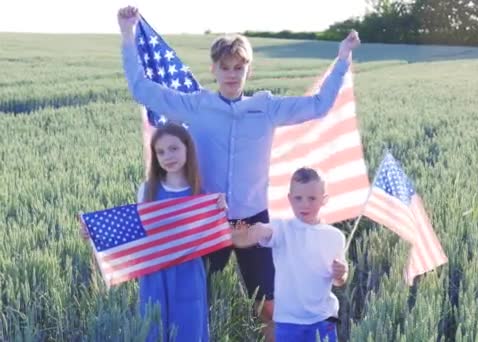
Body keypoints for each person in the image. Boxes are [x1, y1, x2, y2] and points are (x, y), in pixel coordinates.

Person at [116, 6, 360, 340]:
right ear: (214, 69)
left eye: (239, 67)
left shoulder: (267, 107)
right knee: (195, 300)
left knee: (269, 306)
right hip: (205, 220)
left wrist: (343, 57)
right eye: (225, 67)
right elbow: (142, 90)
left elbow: (318, 105)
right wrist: (128, 36)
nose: (232, 74)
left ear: (248, 70)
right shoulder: (196, 105)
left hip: (251, 221)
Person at [81, 122, 226, 342]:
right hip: (154, 273)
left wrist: (222, 210)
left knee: (189, 329)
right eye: (160, 152)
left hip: (188, 274)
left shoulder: (201, 194)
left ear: (188, 148)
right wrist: (94, 233)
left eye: (174, 148)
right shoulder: (148, 190)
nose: (168, 156)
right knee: (154, 330)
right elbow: (133, 232)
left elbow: (218, 232)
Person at [231, 167, 348, 342]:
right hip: (288, 321)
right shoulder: (282, 228)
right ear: (290, 199)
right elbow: (265, 231)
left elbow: (339, 280)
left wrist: (342, 273)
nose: (305, 204)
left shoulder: (335, 237)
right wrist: (255, 231)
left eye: (312, 198)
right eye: (298, 198)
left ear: (324, 199)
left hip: (323, 319)